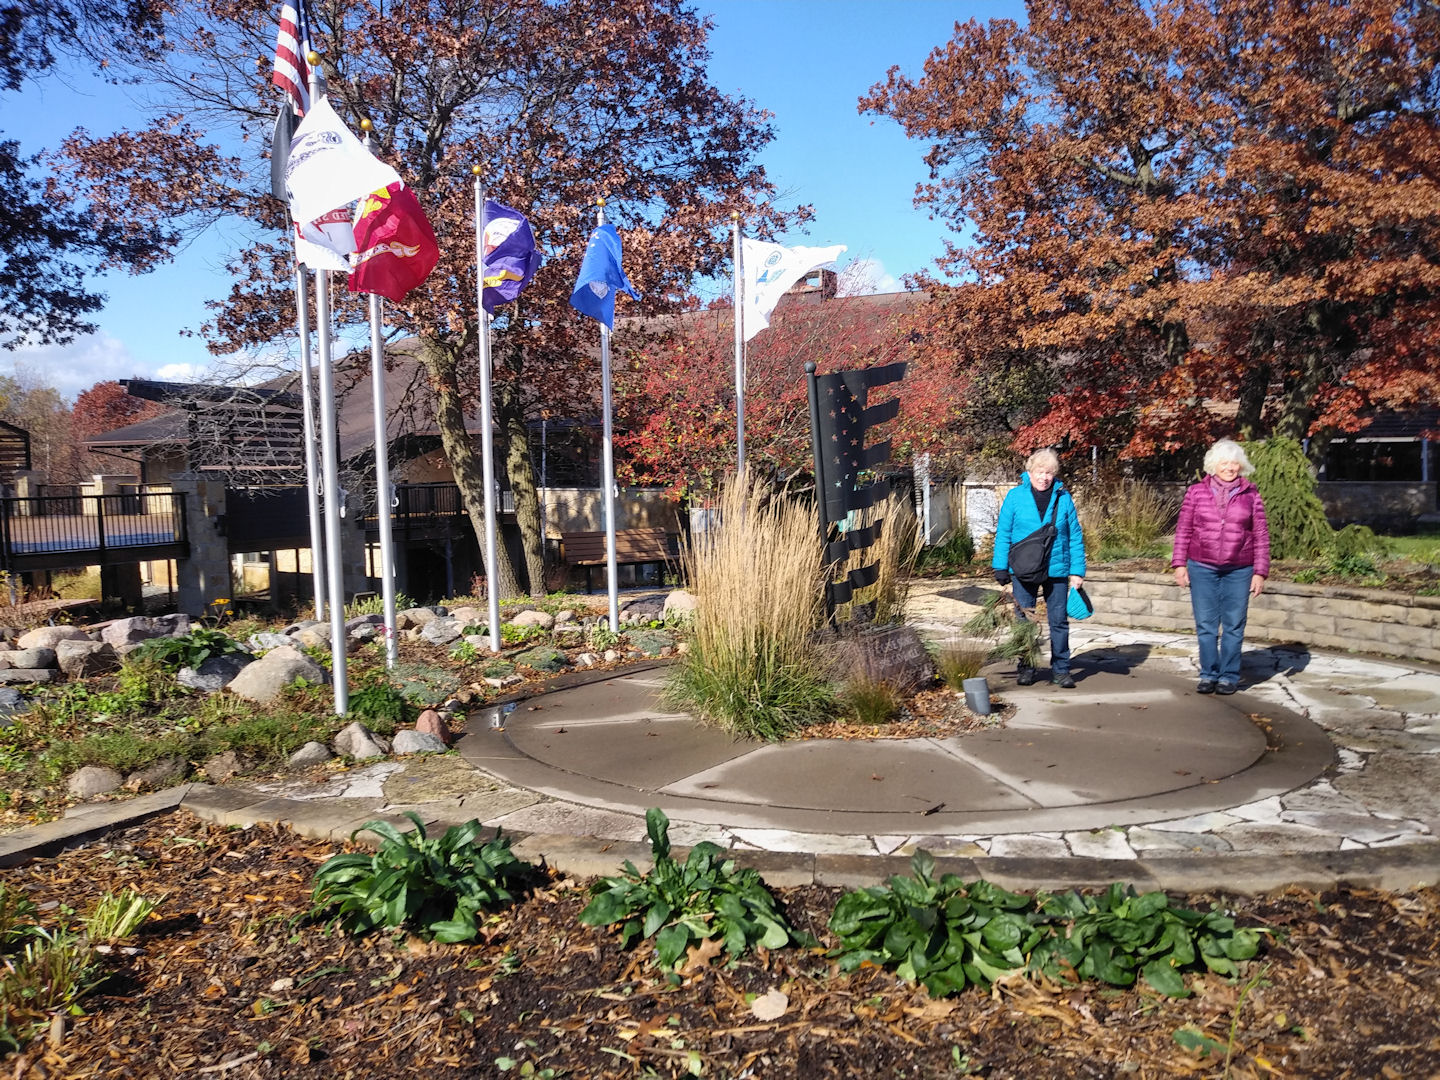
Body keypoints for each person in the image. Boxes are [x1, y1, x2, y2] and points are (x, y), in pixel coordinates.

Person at [1172, 438, 1271, 695]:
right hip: (1201, 567)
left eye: (1234, 463)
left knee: (1234, 624)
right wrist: (1179, 564)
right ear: (1214, 465)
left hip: (1239, 568)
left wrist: (1260, 571)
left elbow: (1261, 534)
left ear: (1241, 465)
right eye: (1224, 463)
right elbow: (1183, 529)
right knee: (1206, 624)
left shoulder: (1251, 494)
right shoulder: (1196, 492)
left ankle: (1228, 676)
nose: (1230, 468)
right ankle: (1208, 674)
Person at [992, 448, 1087, 688]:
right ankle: (1026, 667)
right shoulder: (1015, 497)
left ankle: (1061, 670)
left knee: (1059, 622)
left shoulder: (1063, 498)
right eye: (1040, 472)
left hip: (1057, 569)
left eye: (1049, 473)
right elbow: (1003, 533)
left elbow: (1075, 536)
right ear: (1030, 471)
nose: (1044, 477)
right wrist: (1000, 566)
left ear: (1054, 474)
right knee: (1024, 621)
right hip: (1024, 569)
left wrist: (1077, 571)